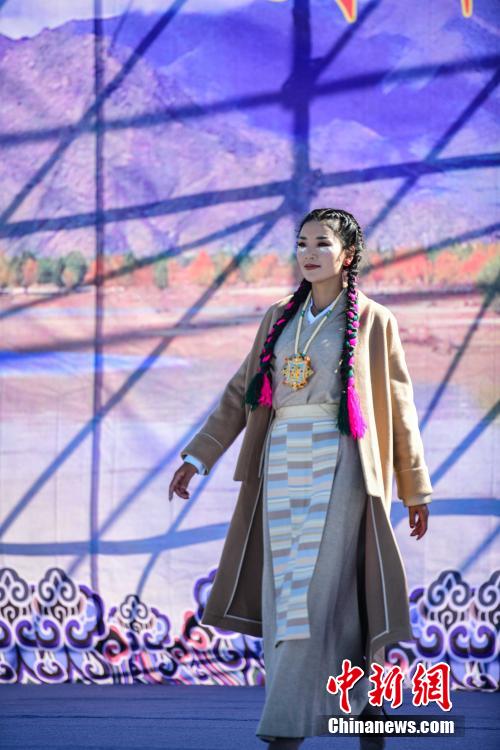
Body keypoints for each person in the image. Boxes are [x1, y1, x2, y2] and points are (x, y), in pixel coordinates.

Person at [169, 208, 432, 750]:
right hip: (281, 463)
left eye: (322, 243)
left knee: (313, 595)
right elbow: (241, 392)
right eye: (302, 243)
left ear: (348, 255)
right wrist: (199, 456)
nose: (309, 253)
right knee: (287, 594)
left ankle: (283, 730)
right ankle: (367, 705)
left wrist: (414, 487)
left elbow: (399, 407)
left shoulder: (375, 320)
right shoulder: (278, 317)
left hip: (342, 464)